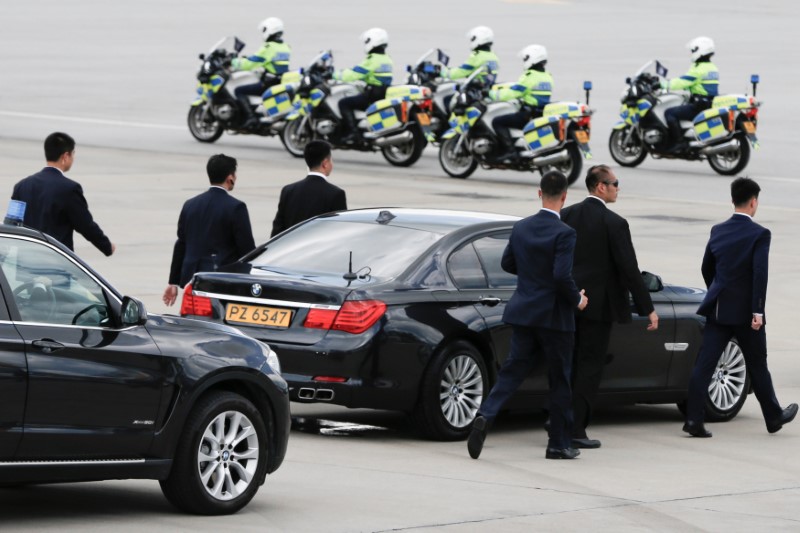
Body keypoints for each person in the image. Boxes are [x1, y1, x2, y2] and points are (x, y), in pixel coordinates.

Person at [468, 170, 588, 461]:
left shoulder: (521, 227)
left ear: (539, 193)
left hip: (523, 311)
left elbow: (508, 262)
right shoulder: (565, 232)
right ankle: (558, 443)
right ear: (564, 196)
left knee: (512, 371)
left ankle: (486, 414)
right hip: (554, 317)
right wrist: (578, 299)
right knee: (560, 378)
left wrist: (533, 275)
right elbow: (561, 276)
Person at [683, 177, 797, 438]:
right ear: (754, 202)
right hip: (747, 314)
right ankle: (773, 416)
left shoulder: (717, 230)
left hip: (719, 310)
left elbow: (706, 268)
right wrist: (757, 311)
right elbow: (760, 274)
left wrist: (718, 290)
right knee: (757, 364)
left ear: (732, 200)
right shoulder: (759, 234)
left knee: (704, 365)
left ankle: (693, 421)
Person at [560, 165, 658, 449]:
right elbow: (629, 269)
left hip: (568, 303)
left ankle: (558, 418)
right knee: (589, 368)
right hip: (598, 310)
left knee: (567, 364)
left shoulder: (567, 215)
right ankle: (576, 428)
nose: (618, 188)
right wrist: (647, 308)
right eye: (615, 183)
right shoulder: (615, 223)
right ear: (600, 187)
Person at [163, 154, 255, 306]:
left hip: (192, 281)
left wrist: (173, 282)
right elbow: (246, 250)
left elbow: (181, 244)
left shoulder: (190, 204)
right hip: (221, 282)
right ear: (230, 177)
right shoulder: (236, 208)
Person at [12, 132, 115, 256]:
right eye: (73, 155)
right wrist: (106, 246)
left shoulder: (22, 186)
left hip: (26, 260)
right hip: (56, 262)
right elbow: (85, 225)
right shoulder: (69, 189)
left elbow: (12, 224)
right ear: (65, 156)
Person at [490, 44, 553, 160]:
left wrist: (491, 94)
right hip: (539, 113)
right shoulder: (547, 77)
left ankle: (510, 150)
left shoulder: (529, 77)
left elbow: (513, 93)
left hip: (527, 115)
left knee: (497, 121)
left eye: (525, 58)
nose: (524, 61)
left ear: (532, 58)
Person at [271, 140, 346, 236]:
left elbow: (277, 232)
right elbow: (340, 232)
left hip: (291, 249)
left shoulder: (288, 190)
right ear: (325, 163)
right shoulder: (336, 194)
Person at [334, 27, 393, 145]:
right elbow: (373, 75)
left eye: (367, 41)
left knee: (344, 103)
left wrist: (335, 74)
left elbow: (353, 74)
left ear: (373, 41)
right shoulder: (387, 59)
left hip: (372, 95)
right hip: (382, 93)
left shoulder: (372, 60)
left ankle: (353, 133)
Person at [232, 17, 291, 129]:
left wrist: (235, 62)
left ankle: (251, 118)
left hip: (268, 84)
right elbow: (271, 63)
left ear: (270, 30)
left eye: (264, 29)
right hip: (279, 81)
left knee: (239, 91)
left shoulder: (268, 47)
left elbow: (250, 63)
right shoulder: (285, 47)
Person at [663, 36, 719, 153]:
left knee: (669, 113)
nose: (691, 53)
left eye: (693, 50)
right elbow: (698, 84)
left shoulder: (698, 69)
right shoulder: (713, 68)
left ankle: (680, 143)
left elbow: (683, 81)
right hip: (709, 103)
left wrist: (663, 84)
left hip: (698, 106)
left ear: (700, 50)